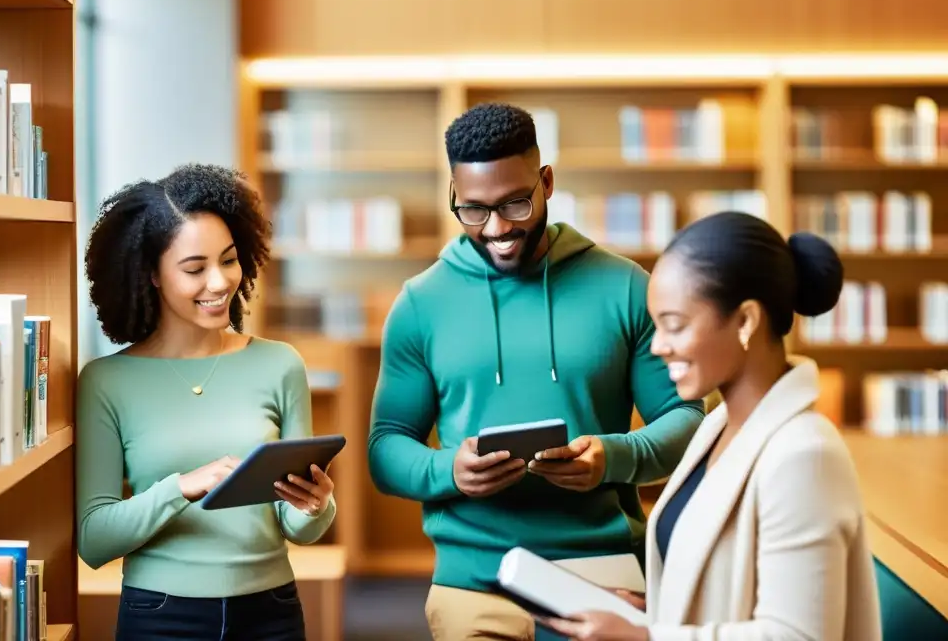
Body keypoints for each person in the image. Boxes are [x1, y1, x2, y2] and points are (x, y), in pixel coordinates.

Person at [367, 103, 706, 640]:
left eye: (515, 203)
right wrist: (447, 472)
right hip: (472, 584)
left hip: (604, 580)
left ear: (546, 182)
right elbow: (385, 448)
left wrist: (614, 457)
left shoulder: (625, 288)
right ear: (454, 196)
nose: (497, 228)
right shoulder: (420, 303)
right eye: (474, 210)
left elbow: (688, 417)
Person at [538, 211, 883, 641]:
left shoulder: (804, 454)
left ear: (745, 321)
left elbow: (798, 636)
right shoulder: (717, 427)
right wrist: (653, 614)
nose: (659, 346)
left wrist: (647, 638)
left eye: (675, 325)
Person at [76, 163, 336, 641]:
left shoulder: (280, 364)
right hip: (160, 616)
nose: (219, 283)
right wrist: (182, 487)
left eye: (230, 260)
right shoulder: (106, 381)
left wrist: (316, 507)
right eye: (195, 269)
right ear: (151, 274)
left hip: (271, 610)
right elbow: (94, 539)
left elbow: (297, 529)